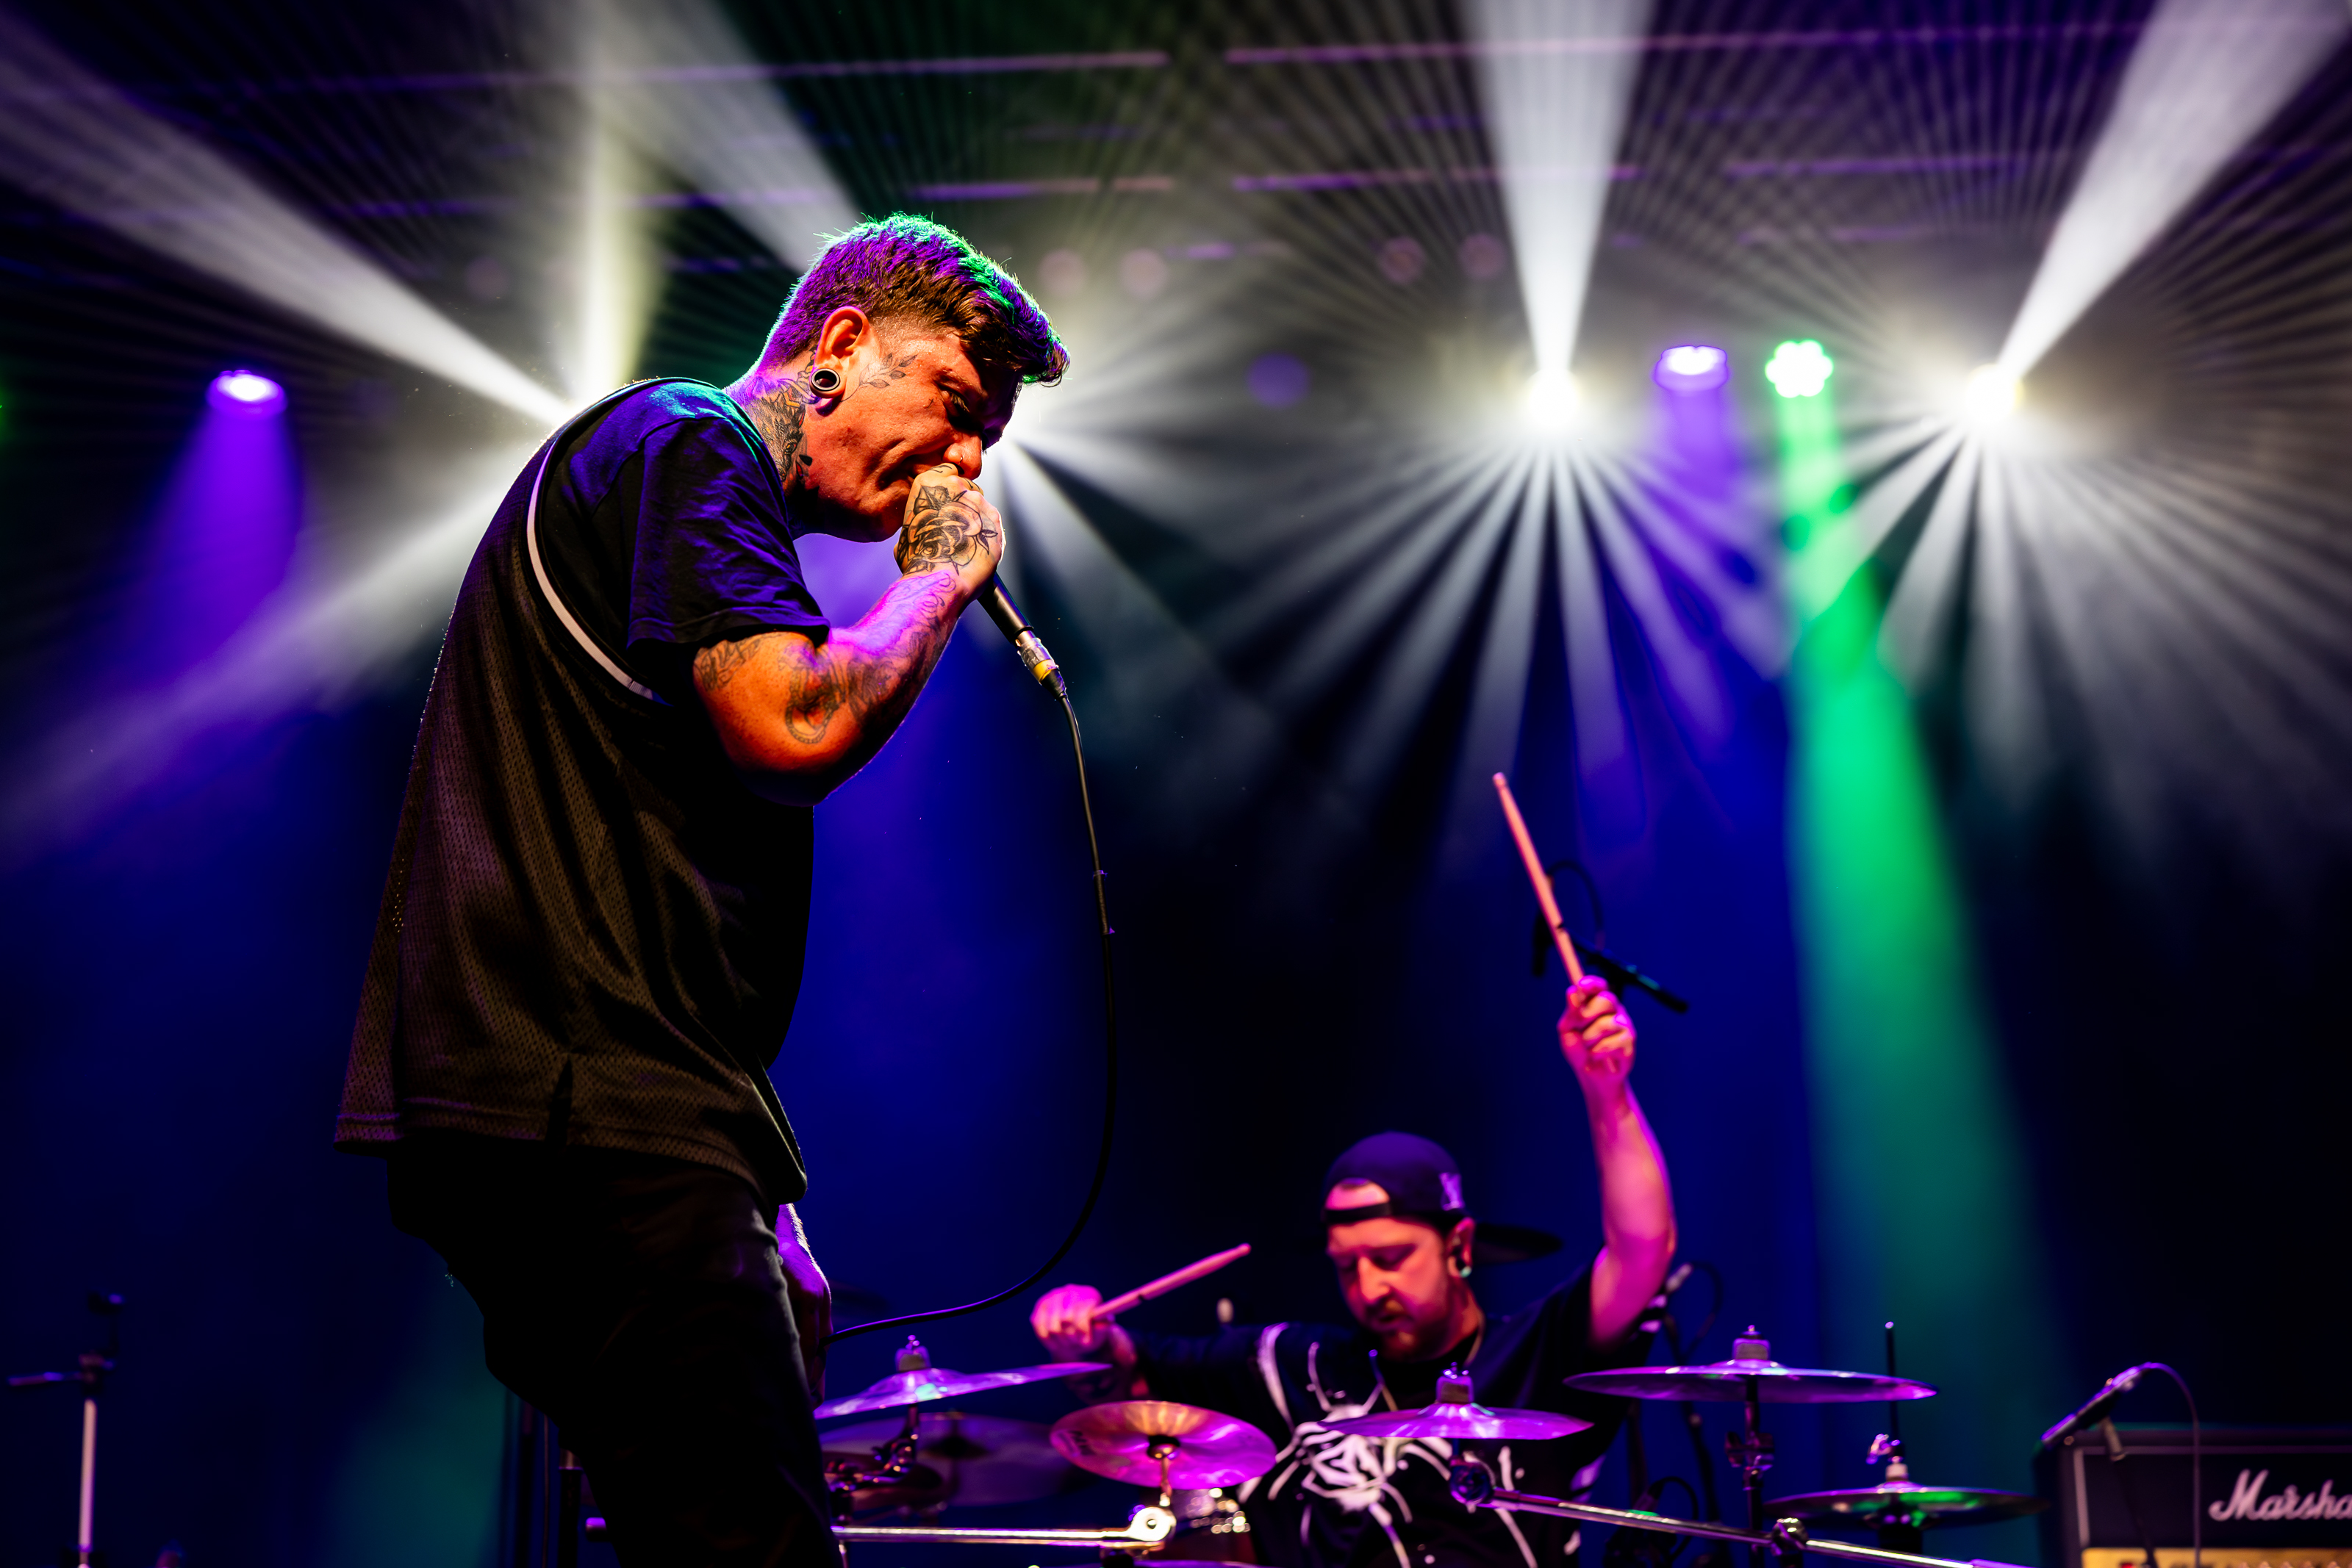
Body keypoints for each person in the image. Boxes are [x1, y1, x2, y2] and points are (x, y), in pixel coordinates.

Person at [333, 213, 1066, 1567]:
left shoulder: (666, 473)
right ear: (840, 344)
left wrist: (762, 1185)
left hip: (596, 1105)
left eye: (989, 440)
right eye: (958, 404)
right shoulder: (690, 439)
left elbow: (652, 881)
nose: (968, 461)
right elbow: (793, 724)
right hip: (593, 1111)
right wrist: (937, 582)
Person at [1032, 975, 1677, 1568]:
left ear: (1459, 1244)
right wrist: (1084, 1336)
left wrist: (1609, 1094)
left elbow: (1644, 1246)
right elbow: (1135, 1376)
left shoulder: (1538, 1352)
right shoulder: (1287, 1366)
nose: (1369, 1288)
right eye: (1347, 1266)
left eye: (1392, 1259)